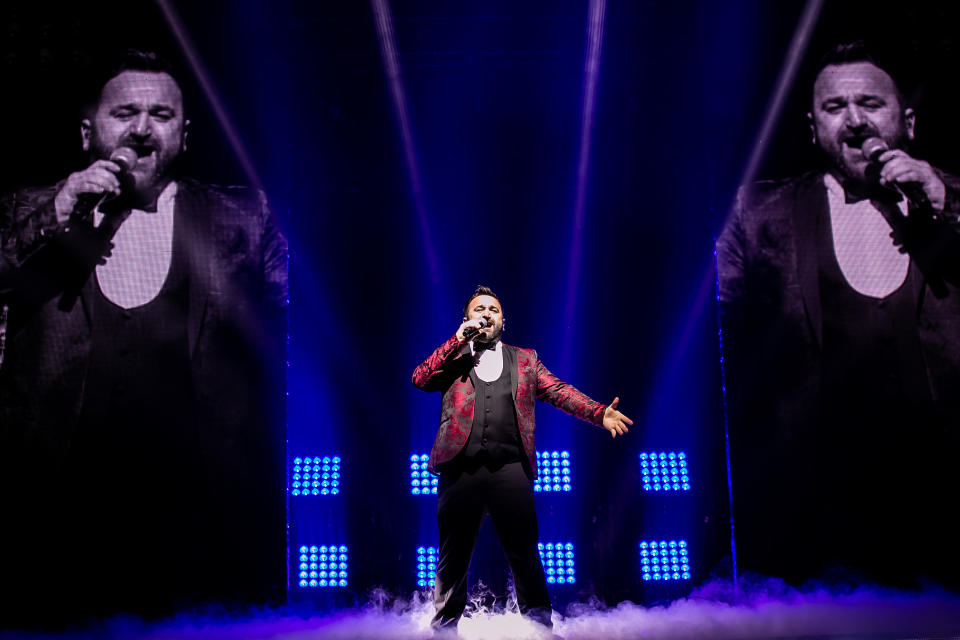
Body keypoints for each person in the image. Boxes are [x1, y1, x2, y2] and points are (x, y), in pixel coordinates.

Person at [0, 50, 288, 626]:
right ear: (88, 133)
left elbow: (297, 321)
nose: (141, 129)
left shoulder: (241, 214)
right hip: (60, 508)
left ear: (184, 135)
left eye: (160, 115)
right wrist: (57, 212)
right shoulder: (26, 209)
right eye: (125, 112)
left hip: (197, 507)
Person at [717, 41, 960, 587]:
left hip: (947, 495)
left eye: (871, 104)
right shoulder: (758, 215)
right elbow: (713, 333)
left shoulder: (954, 199)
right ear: (812, 128)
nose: (854, 121)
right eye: (834, 108)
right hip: (822, 510)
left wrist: (944, 201)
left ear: (909, 120)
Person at [412, 285, 633, 633]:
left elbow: (560, 391)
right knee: (452, 558)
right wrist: (457, 340)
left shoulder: (525, 360)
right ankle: (444, 628)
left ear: (503, 320)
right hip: (460, 468)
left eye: (494, 309)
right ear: (467, 319)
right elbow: (420, 378)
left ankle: (540, 627)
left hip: (509, 468)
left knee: (524, 554)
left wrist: (598, 413)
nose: (487, 313)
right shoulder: (454, 356)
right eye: (479, 309)